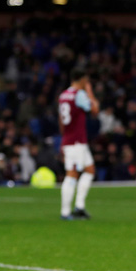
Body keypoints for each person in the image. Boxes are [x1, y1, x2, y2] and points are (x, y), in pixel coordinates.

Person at [58, 68, 99, 220]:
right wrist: (89, 91)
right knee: (72, 174)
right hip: (76, 141)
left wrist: (64, 138)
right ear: (82, 80)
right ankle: (65, 212)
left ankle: (79, 206)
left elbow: (61, 120)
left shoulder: (64, 95)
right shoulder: (79, 94)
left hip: (72, 139)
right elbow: (94, 109)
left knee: (89, 170)